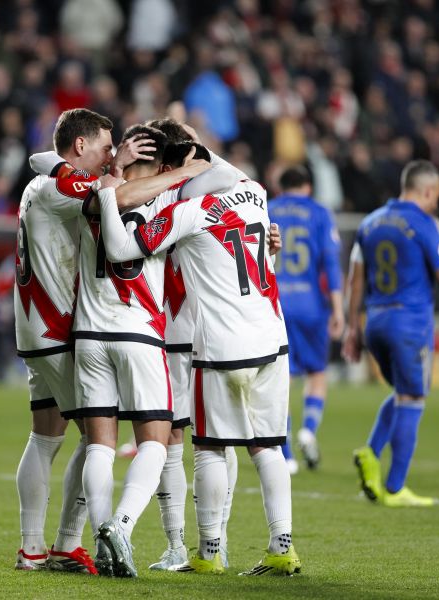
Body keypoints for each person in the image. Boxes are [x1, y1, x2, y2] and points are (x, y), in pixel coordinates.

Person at [95, 142, 301, 576]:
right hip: (272, 337)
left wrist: (109, 192)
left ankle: (209, 553)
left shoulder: (184, 210)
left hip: (218, 344)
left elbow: (120, 248)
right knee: (267, 447)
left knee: (208, 447)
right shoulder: (256, 194)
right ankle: (282, 546)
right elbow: (263, 258)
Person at [11, 107, 168, 573]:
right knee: (96, 437)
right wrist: (178, 175)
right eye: (104, 146)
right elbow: (112, 196)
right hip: (57, 329)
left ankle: (34, 547)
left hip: (37, 325)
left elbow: (48, 164)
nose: (109, 155)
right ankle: (62, 543)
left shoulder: (43, 182)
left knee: (45, 437)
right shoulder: (60, 185)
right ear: (79, 146)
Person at [345, 160, 439, 507]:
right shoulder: (426, 223)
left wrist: (351, 327)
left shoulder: (370, 222)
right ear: (426, 190)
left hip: (375, 323)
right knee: (414, 398)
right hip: (410, 323)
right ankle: (395, 487)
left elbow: (355, 280)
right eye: (436, 195)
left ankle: (371, 453)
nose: (436, 202)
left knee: (404, 392)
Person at [269, 165, 343, 473]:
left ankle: (286, 455)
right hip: (312, 306)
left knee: (279, 380)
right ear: (308, 187)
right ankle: (308, 430)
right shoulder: (320, 213)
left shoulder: (267, 208)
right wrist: (339, 310)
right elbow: (331, 263)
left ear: (280, 186)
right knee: (317, 373)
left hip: (276, 306)